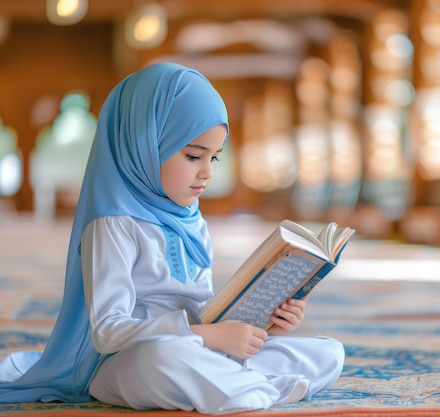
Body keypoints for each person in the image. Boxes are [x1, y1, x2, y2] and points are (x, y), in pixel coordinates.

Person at [0, 62, 344, 414]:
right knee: (163, 358)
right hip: (128, 360)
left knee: (329, 353)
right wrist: (207, 337)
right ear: (145, 144)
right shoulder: (114, 225)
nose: (207, 171)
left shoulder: (192, 220)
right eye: (194, 155)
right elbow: (107, 331)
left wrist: (265, 325)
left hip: (201, 350)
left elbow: (204, 308)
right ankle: (250, 387)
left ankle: (240, 387)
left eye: (214, 157)